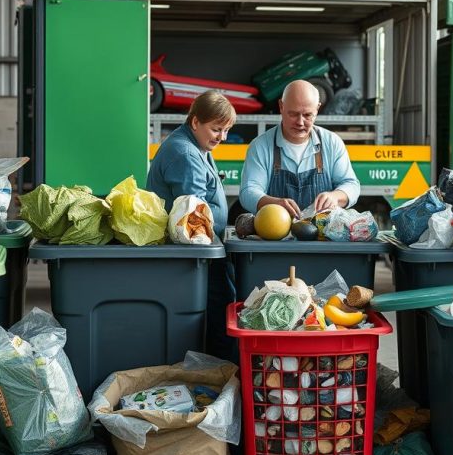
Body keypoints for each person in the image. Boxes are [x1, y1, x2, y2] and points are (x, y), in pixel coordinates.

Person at [146, 90, 238, 362]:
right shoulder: (184, 153)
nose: (221, 137)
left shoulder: (195, 145)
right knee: (219, 311)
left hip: (207, 251)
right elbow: (192, 218)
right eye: (216, 129)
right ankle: (220, 372)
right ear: (196, 121)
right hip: (196, 257)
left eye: (226, 131)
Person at [239, 80, 360, 217]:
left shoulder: (332, 143)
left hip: (323, 234)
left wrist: (335, 197)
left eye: (308, 115)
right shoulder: (260, 146)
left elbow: (351, 185)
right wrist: (273, 203)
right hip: (275, 236)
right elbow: (248, 191)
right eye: (293, 114)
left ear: (317, 109)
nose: (300, 122)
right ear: (281, 106)